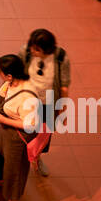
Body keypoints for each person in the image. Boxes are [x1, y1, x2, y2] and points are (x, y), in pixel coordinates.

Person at [0, 54, 41, 201]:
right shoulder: (11, 83)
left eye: (0, 72)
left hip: (17, 137)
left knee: (14, 170)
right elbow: (3, 96)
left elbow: (29, 125)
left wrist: (1, 119)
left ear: (9, 75)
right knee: (0, 157)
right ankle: (0, 180)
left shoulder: (28, 97)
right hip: (5, 131)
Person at [22, 29, 70, 178]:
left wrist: (62, 107)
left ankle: (37, 157)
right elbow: (16, 74)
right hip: (26, 101)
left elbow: (64, 84)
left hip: (48, 102)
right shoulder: (26, 52)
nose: (33, 51)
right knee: (22, 131)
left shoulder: (60, 57)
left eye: (38, 49)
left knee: (43, 134)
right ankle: (20, 159)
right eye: (32, 47)